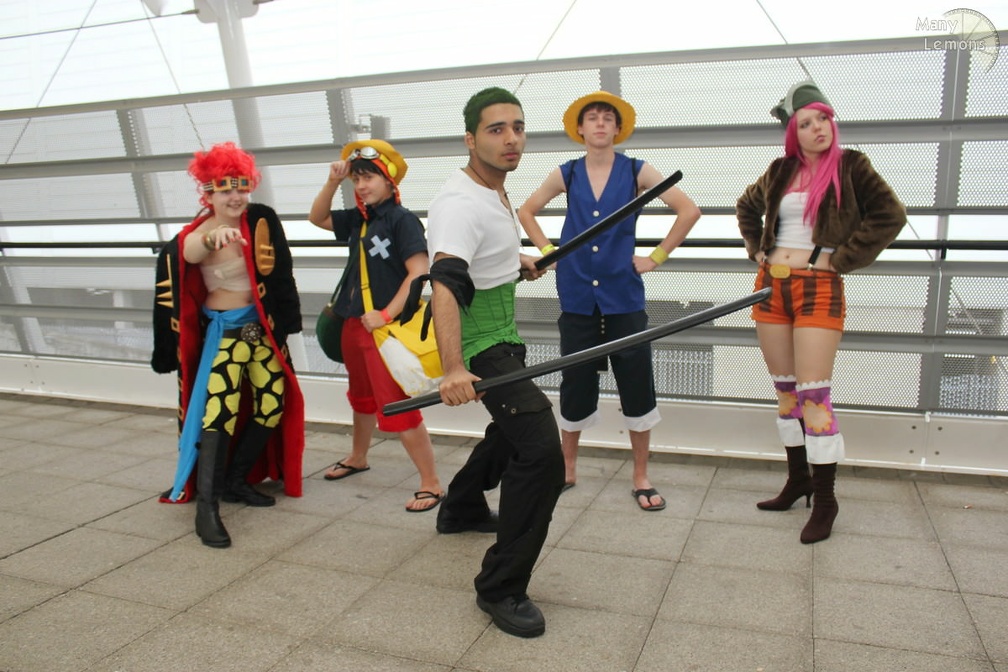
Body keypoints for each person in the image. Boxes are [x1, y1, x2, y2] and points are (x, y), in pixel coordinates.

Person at [736, 81, 907, 544]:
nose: (818, 129)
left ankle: (826, 500)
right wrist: (756, 248)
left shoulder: (851, 166)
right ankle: (798, 481)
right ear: (793, 132)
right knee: (786, 392)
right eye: (806, 123)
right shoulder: (780, 170)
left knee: (814, 395)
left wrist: (841, 258)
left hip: (819, 286)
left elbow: (890, 214)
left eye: (823, 119)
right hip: (771, 285)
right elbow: (746, 207)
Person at [424, 87, 564, 638]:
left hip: (502, 329)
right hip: (479, 343)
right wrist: (453, 369)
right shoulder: (459, 203)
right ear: (470, 139)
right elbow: (445, 283)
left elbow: (485, 254)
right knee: (541, 449)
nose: (511, 139)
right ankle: (500, 586)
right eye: (496, 129)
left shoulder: (494, 190)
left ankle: (460, 507)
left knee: (509, 431)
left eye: (518, 127)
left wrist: (516, 261)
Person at [517, 91, 701, 511]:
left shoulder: (637, 170)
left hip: (624, 296)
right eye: (592, 118)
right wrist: (548, 251)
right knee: (574, 381)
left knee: (636, 381)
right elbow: (526, 211)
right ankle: (567, 468)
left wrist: (656, 257)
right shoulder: (567, 172)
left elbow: (688, 210)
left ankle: (641, 475)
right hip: (577, 294)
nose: (599, 124)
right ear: (580, 129)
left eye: (607, 118)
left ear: (618, 129)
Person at [151, 141, 305, 549]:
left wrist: (287, 323)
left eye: (241, 186)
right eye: (225, 189)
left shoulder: (260, 222)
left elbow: (281, 272)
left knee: (272, 404)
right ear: (208, 193)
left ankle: (236, 479)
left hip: (261, 332)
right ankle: (207, 507)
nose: (235, 196)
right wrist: (212, 239)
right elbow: (187, 252)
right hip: (227, 335)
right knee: (219, 412)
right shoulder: (200, 232)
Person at [307, 139, 444, 512]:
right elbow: (317, 217)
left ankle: (431, 483)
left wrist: (385, 315)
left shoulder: (401, 220)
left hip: (383, 329)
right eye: (357, 179)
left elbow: (419, 272)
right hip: (355, 323)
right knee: (362, 397)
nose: (362, 185)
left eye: (369, 177)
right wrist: (332, 182)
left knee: (397, 405)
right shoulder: (359, 218)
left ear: (389, 180)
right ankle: (358, 456)